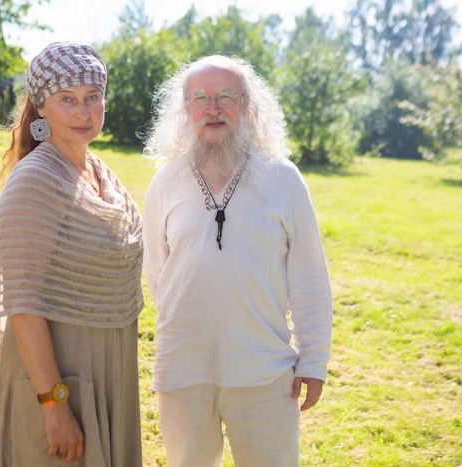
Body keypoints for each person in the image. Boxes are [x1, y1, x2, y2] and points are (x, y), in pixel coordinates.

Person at [0, 42, 143, 466]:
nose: (83, 112)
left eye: (93, 98)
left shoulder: (98, 171)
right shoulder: (36, 180)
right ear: (41, 107)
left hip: (108, 376)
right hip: (58, 382)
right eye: (67, 100)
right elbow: (22, 304)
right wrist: (55, 405)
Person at [142, 55, 333, 466]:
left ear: (247, 105)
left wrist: (314, 359)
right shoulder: (166, 182)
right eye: (201, 98)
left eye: (225, 96)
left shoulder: (283, 179)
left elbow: (309, 277)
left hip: (264, 371)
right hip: (183, 370)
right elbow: (159, 275)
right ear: (185, 109)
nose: (213, 108)